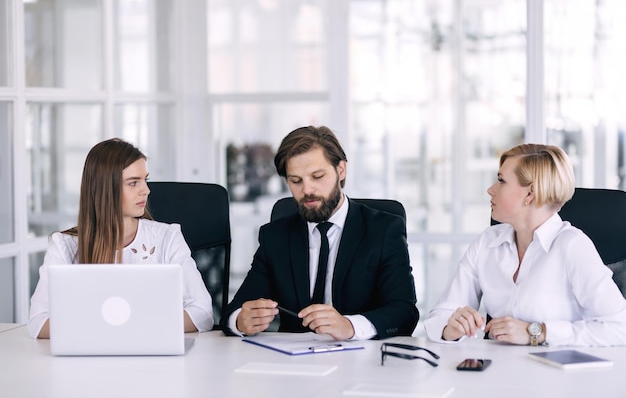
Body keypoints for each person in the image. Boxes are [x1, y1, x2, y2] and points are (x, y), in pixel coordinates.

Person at [220, 125, 419, 341]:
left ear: (341, 170)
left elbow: (404, 313)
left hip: (361, 361)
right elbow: (234, 311)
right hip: (290, 362)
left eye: (317, 176)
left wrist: (350, 326)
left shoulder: (383, 230)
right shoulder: (275, 236)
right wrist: (241, 320)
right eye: (296, 181)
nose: (307, 190)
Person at [424, 143, 626, 346]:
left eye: (501, 181)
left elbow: (619, 327)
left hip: (559, 372)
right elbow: (441, 313)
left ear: (530, 193)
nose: (490, 189)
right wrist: (450, 328)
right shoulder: (488, 242)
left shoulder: (572, 246)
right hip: (499, 370)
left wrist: (538, 332)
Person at [28, 138, 214, 339]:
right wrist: (126, 327)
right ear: (104, 188)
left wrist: (118, 326)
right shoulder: (63, 245)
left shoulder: (167, 238)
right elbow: (38, 322)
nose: (146, 190)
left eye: (145, 180)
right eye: (133, 183)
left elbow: (202, 313)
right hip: (88, 361)